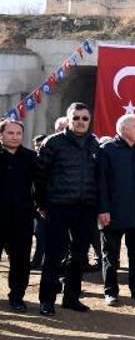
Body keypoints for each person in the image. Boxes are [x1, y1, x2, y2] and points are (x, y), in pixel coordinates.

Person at [36, 103, 100, 315]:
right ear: (69, 119)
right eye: (76, 118)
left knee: (79, 256)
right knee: (54, 254)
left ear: (89, 121)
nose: (81, 122)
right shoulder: (53, 143)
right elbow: (40, 176)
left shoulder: (94, 144)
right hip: (58, 206)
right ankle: (47, 300)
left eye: (84, 118)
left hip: (86, 208)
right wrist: (42, 204)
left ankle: (71, 298)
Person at [98, 114, 135, 306]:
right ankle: (110, 292)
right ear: (124, 129)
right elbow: (101, 183)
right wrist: (103, 210)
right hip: (112, 213)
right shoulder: (107, 150)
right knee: (110, 256)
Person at [0, 119, 37, 312]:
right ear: (1, 135)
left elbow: (39, 187)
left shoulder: (31, 158)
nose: (15, 137)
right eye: (10, 133)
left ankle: (17, 297)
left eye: (18, 133)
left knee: (21, 261)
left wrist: (40, 207)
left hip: (21, 218)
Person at [29, 134, 47, 269]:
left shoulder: (52, 161)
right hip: (31, 205)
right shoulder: (30, 160)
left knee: (41, 235)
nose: (38, 148)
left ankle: (37, 261)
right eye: (36, 146)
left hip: (45, 206)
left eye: (41, 146)